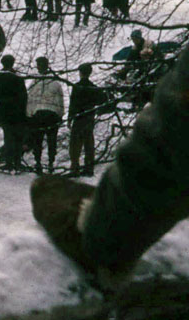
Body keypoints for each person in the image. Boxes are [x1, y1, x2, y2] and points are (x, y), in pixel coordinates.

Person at [30, 47, 189, 293]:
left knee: (79, 146)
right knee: (83, 146)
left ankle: (81, 173)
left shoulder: (75, 87)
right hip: (86, 119)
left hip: (87, 125)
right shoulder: (84, 87)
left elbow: (172, 142)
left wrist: (102, 232)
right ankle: (81, 167)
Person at [0, 55, 28, 173]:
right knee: (17, 137)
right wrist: (23, 111)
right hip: (17, 111)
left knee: (9, 137)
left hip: (5, 111)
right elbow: (24, 96)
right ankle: (16, 163)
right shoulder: (17, 76)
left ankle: (9, 163)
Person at [68, 62, 107, 178]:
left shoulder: (77, 86)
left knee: (75, 145)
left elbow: (73, 104)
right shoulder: (94, 88)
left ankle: (74, 168)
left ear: (80, 73)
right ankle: (89, 168)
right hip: (89, 118)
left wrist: (70, 118)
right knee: (88, 143)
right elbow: (102, 100)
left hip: (79, 118)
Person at [28, 56, 65, 174]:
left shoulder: (35, 82)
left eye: (38, 65)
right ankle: (50, 162)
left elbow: (31, 99)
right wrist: (60, 115)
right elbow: (60, 101)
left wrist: (29, 114)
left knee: (37, 139)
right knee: (51, 140)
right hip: (52, 114)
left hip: (38, 114)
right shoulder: (55, 82)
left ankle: (38, 162)